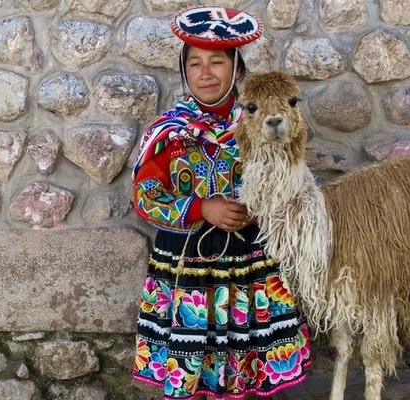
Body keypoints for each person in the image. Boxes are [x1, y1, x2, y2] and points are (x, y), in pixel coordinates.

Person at [131, 6, 311, 399]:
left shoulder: (258, 124)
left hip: (250, 263)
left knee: (249, 361)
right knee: (194, 362)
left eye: (217, 62)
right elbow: (145, 198)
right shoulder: (170, 133)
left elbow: (287, 183)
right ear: (185, 71)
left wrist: (259, 208)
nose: (205, 72)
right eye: (194, 63)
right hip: (187, 271)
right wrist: (201, 209)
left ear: (237, 70)